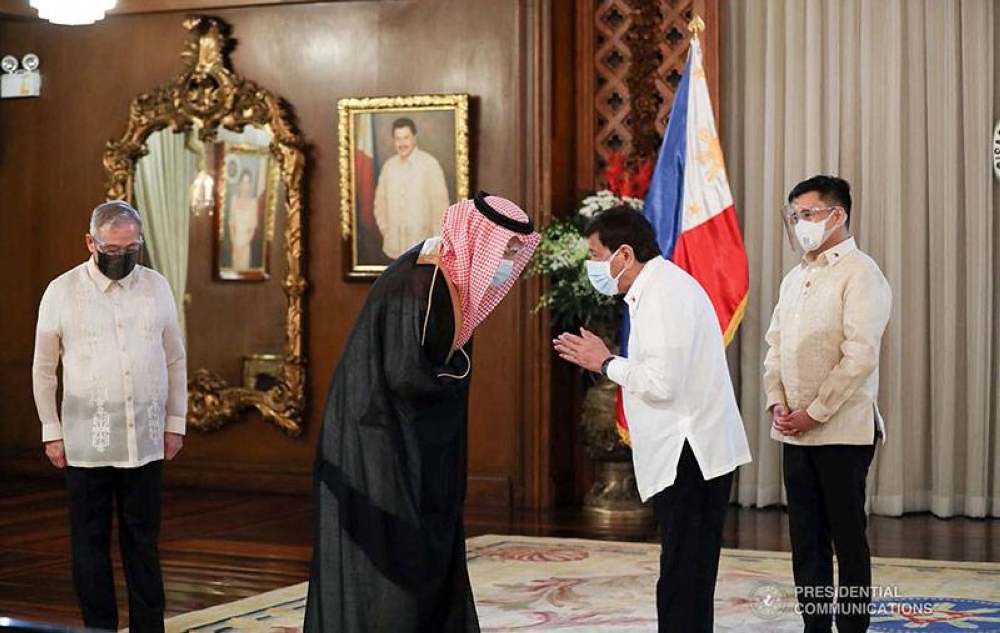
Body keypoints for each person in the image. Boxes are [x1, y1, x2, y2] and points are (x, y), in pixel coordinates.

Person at [305, 192, 539, 632]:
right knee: (395, 559)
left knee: (425, 551)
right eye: (505, 250)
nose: (508, 263)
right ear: (480, 240)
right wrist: (455, 375)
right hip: (377, 441)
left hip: (411, 439)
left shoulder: (448, 277)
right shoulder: (423, 282)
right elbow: (404, 373)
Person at [553, 206, 751, 633]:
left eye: (595, 253)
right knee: (689, 572)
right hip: (695, 449)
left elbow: (662, 383)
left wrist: (605, 363)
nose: (591, 266)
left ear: (623, 254)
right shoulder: (658, 286)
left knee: (684, 573)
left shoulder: (662, 294)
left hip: (690, 452)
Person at [32, 201, 187, 632]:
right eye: (113, 250)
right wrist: (52, 431)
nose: (123, 257)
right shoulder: (61, 291)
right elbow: (44, 369)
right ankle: (99, 626)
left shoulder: (157, 286)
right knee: (89, 541)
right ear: (91, 243)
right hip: (86, 438)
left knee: (143, 540)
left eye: (132, 248)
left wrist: (175, 422)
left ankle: (148, 626)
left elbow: (175, 358)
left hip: (147, 437)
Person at [765, 175, 891, 633]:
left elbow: (859, 355)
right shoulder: (795, 276)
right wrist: (777, 402)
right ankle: (814, 625)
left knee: (846, 538)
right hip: (793, 430)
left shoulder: (861, 273)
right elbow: (774, 346)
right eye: (795, 215)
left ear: (837, 215)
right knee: (805, 538)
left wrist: (814, 412)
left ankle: (853, 627)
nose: (800, 224)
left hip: (842, 430)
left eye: (809, 214)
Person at [373, 117, 451, 258]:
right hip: (394, 249)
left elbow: (441, 208)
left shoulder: (430, 165)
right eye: (398, 139)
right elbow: (380, 204)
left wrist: (434, 247)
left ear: (414, 138)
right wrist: (387, 231)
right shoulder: (389, 167)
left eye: (406, 138)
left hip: (423, 251)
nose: (402, 143)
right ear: (393, 141)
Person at [228, 169, 262, 271]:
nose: (245, 185)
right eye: (243, 182)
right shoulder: (234, 200)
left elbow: (252, 231)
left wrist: (242, 247)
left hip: (245, 246)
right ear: (240, 184)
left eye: (247, 182)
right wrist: (235, 245)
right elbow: (231, 226)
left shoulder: (253, 203)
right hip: (235, 243)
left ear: (250, 185)